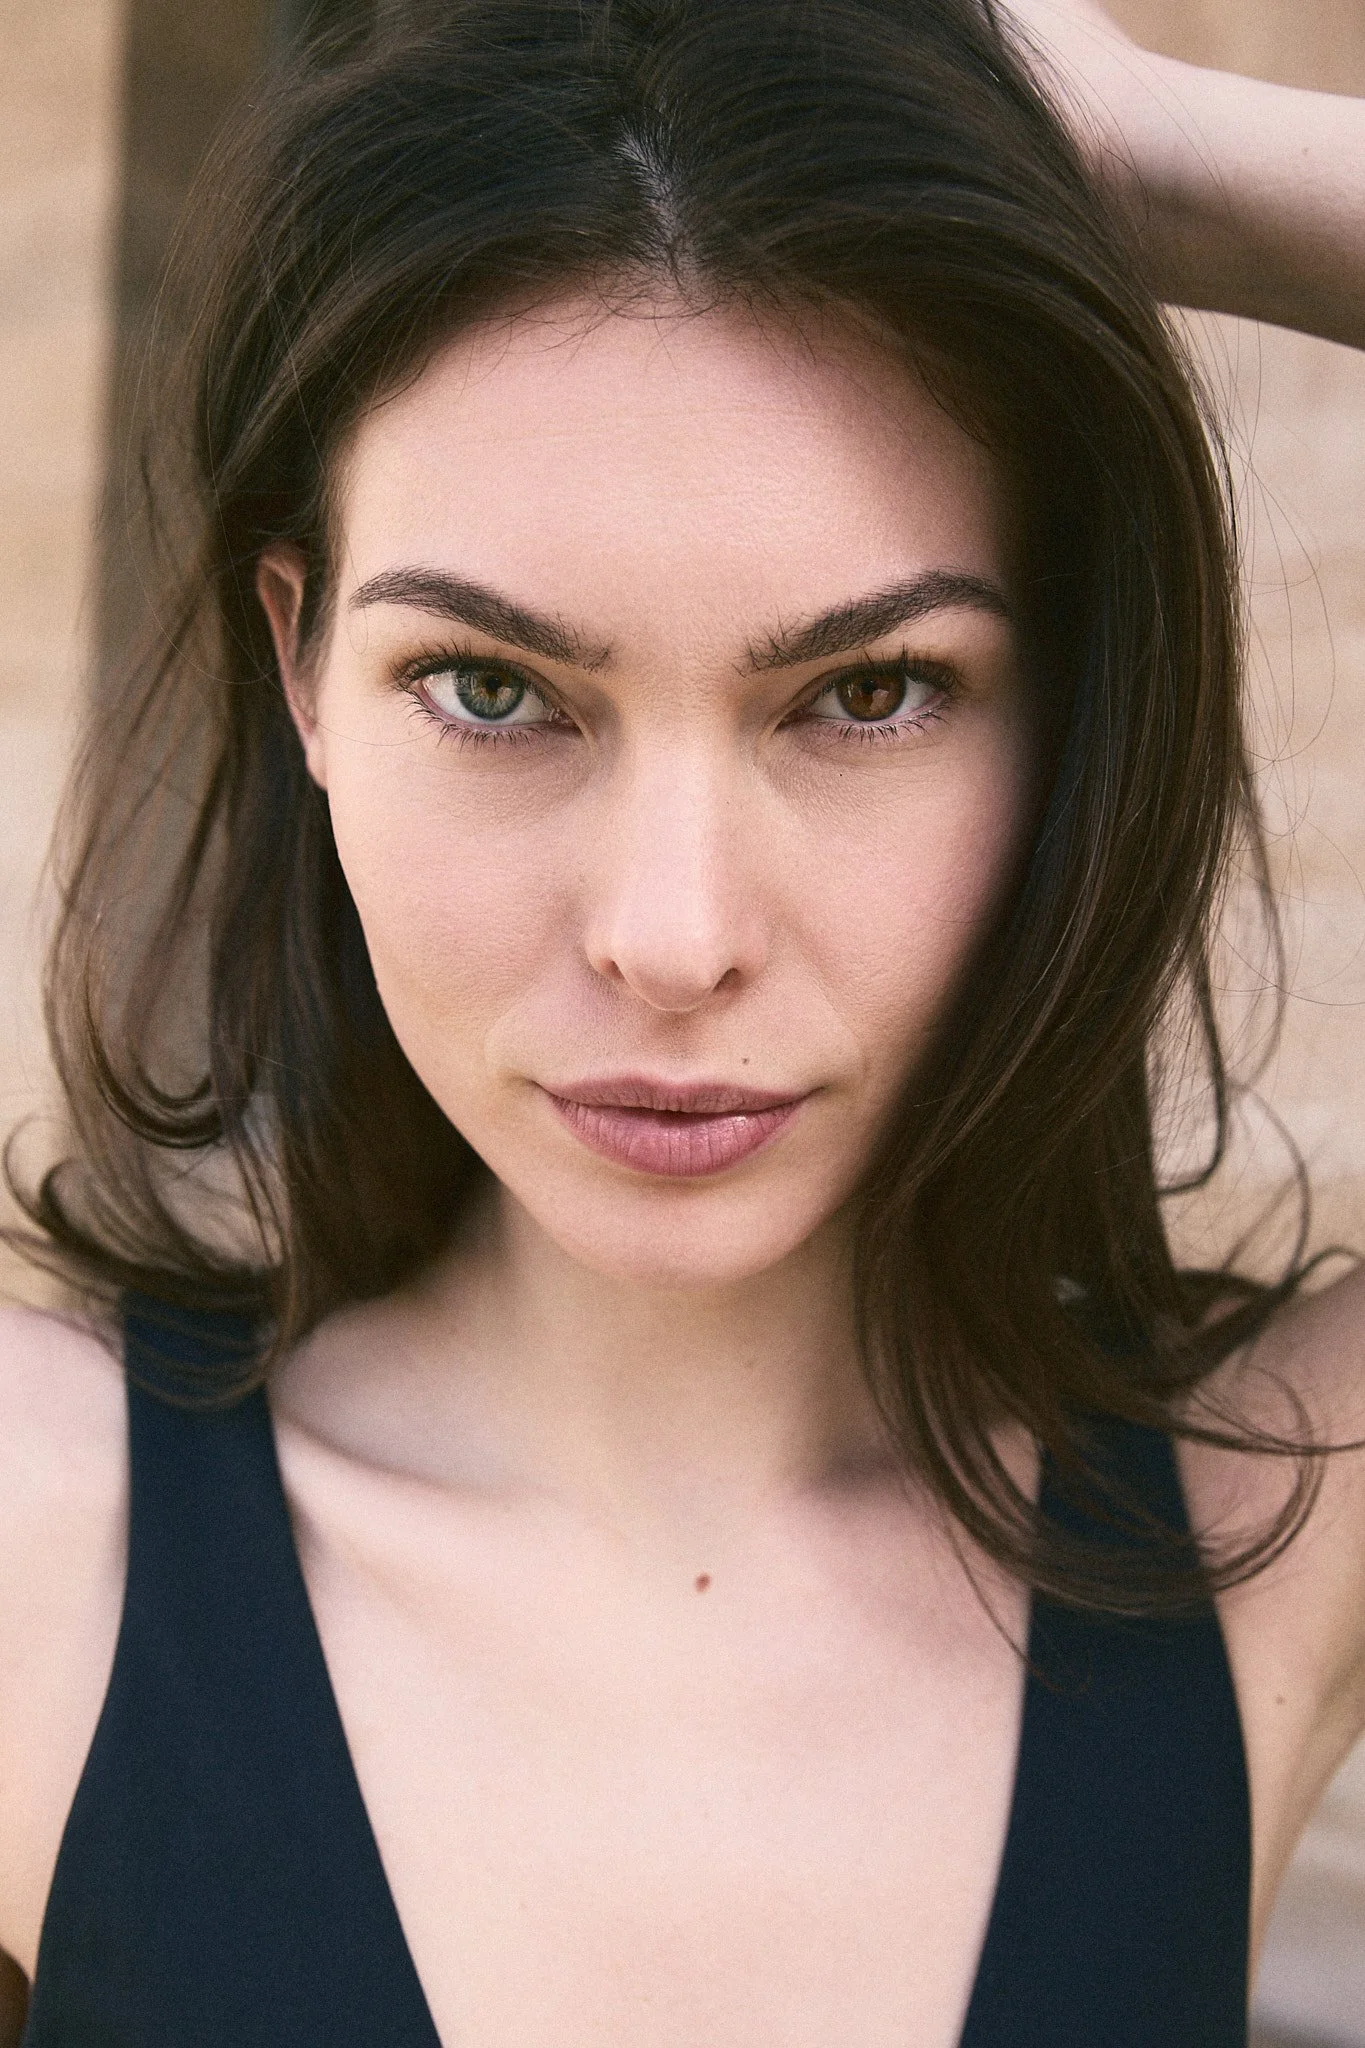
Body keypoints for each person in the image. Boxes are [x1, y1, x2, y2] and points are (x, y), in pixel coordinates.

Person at [1, 0, 1364, 2040]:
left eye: (865, 690)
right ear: (302, 678)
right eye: (491, 686)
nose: (671, 932)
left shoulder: (1267, 1536)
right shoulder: (39, 1530)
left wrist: (1164, 161)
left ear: (1063, 705)